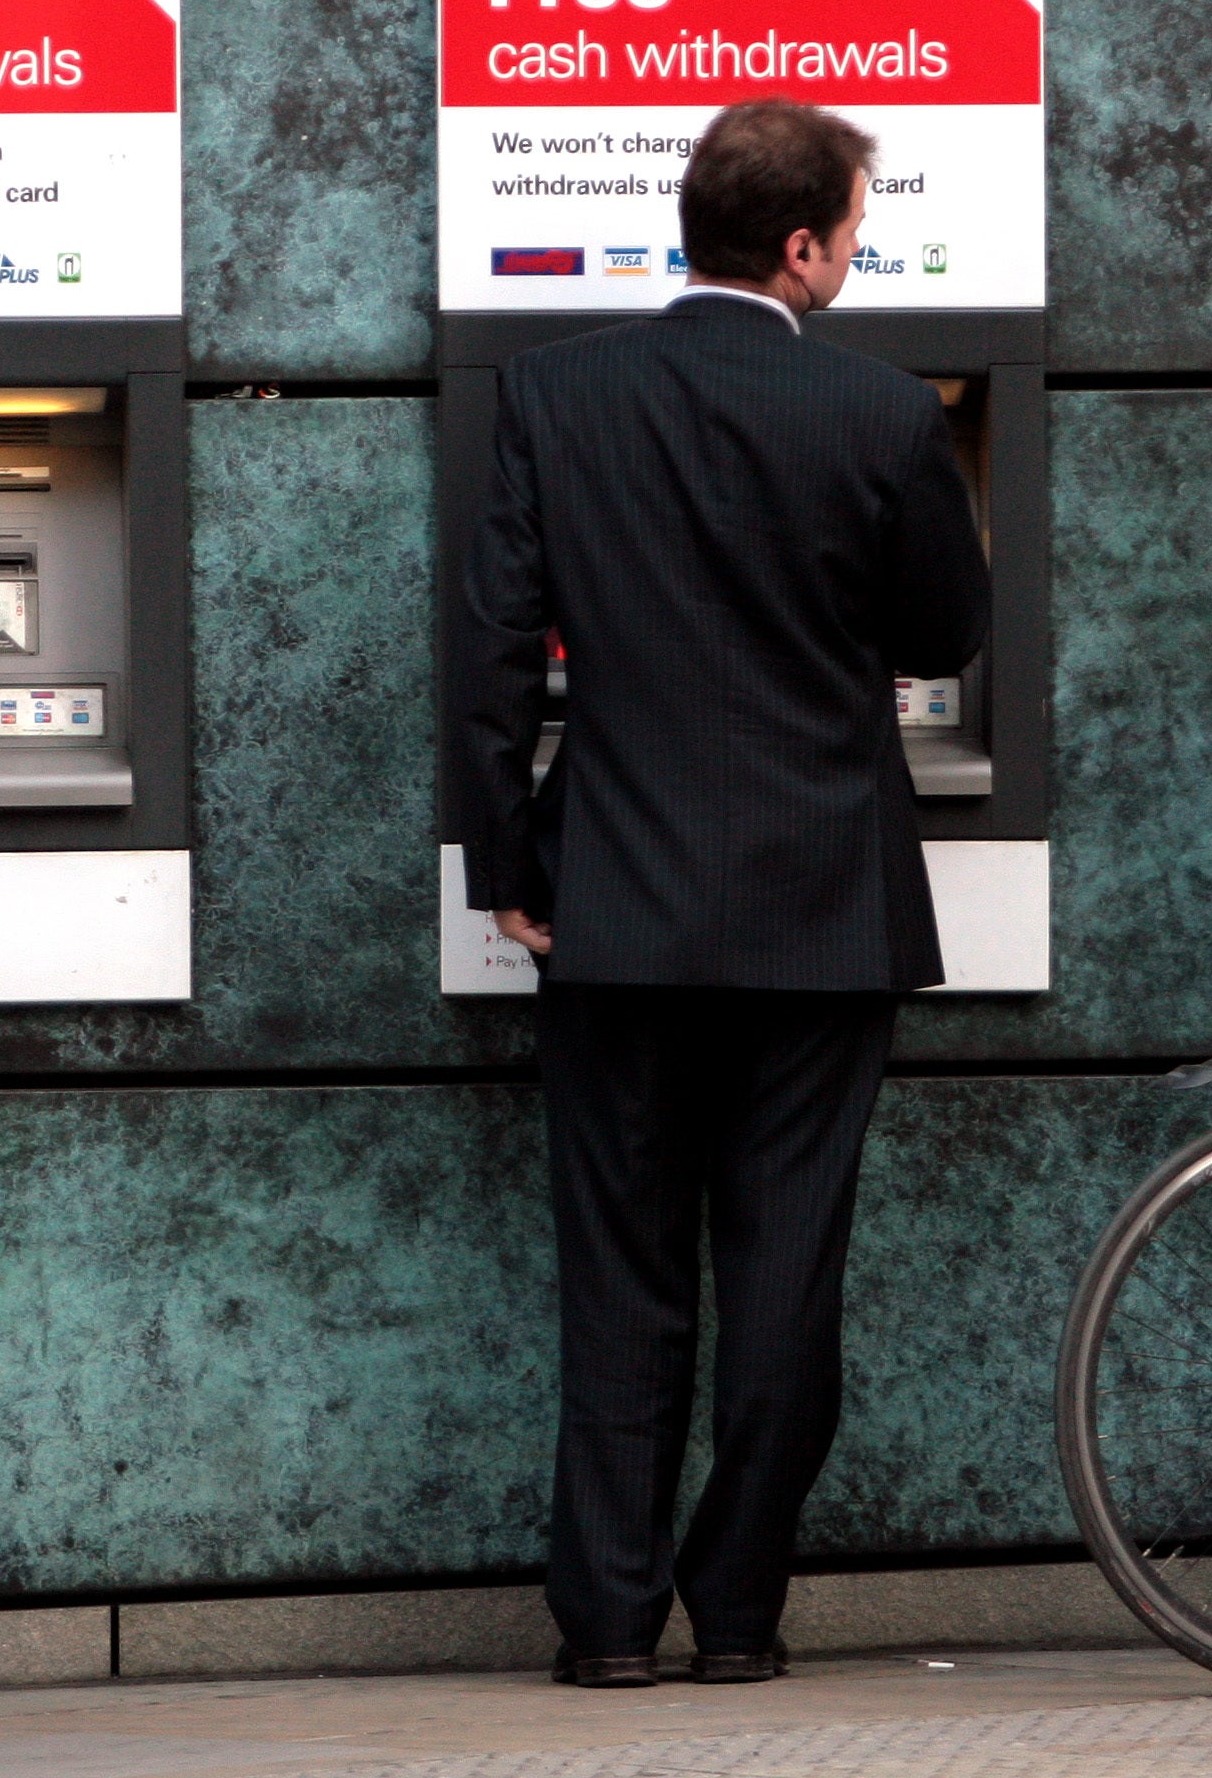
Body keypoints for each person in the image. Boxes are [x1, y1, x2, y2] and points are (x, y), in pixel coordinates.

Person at [456, 95, 993, 1692]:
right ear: (804, 244)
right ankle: (739, 1614)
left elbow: (493, 655)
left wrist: (507, 862)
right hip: (821, 917)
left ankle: (610, 1629)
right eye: (857, 227)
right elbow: (943, 636)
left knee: (620, 1283)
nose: (859, 255)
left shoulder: (556, 397)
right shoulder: (886, 418)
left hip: (611, 908)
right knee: (783, 1279)